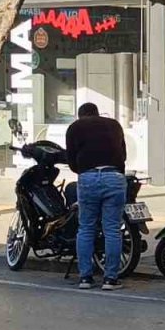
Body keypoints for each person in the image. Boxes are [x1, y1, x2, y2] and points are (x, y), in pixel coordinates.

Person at [65, 102, 128, 291]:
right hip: (114, 176)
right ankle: (110, 279)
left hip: (88, 177)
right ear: (97, 113)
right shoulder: (114, 125)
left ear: (80, 115)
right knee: (112, 230)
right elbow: (123, 154)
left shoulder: (75, 127)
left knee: (86, 228)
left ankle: (85, 278)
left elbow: (71, 158)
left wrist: (83, 170)